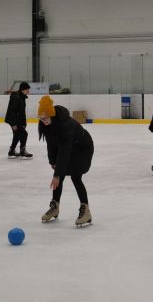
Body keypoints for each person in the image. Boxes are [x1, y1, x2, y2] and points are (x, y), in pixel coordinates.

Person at [38, 96, 94, 227]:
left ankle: (85, 210)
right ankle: (55, 206)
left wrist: (57, 174)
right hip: (70, 148)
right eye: (41, 118)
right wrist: (52, 161)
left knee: (75, 176)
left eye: (45, 118)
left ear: (51, 114)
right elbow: (51, 144)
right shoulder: (46, 123)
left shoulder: (65, 124)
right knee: (60, 173)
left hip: (82, 148)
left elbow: (64, 150)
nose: (43, 121)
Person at [5, 82, 32, 159]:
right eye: (27, 89)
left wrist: (24, 123)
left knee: (17, 135)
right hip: (14, 120)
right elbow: (12, 111)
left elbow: (22, 112)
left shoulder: (22, 97)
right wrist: (13, 124)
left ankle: (11, 151)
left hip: (18, 120)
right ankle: (22, 151)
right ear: (23, 89)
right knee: (24, 134)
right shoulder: (16, 97)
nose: (28, 91)